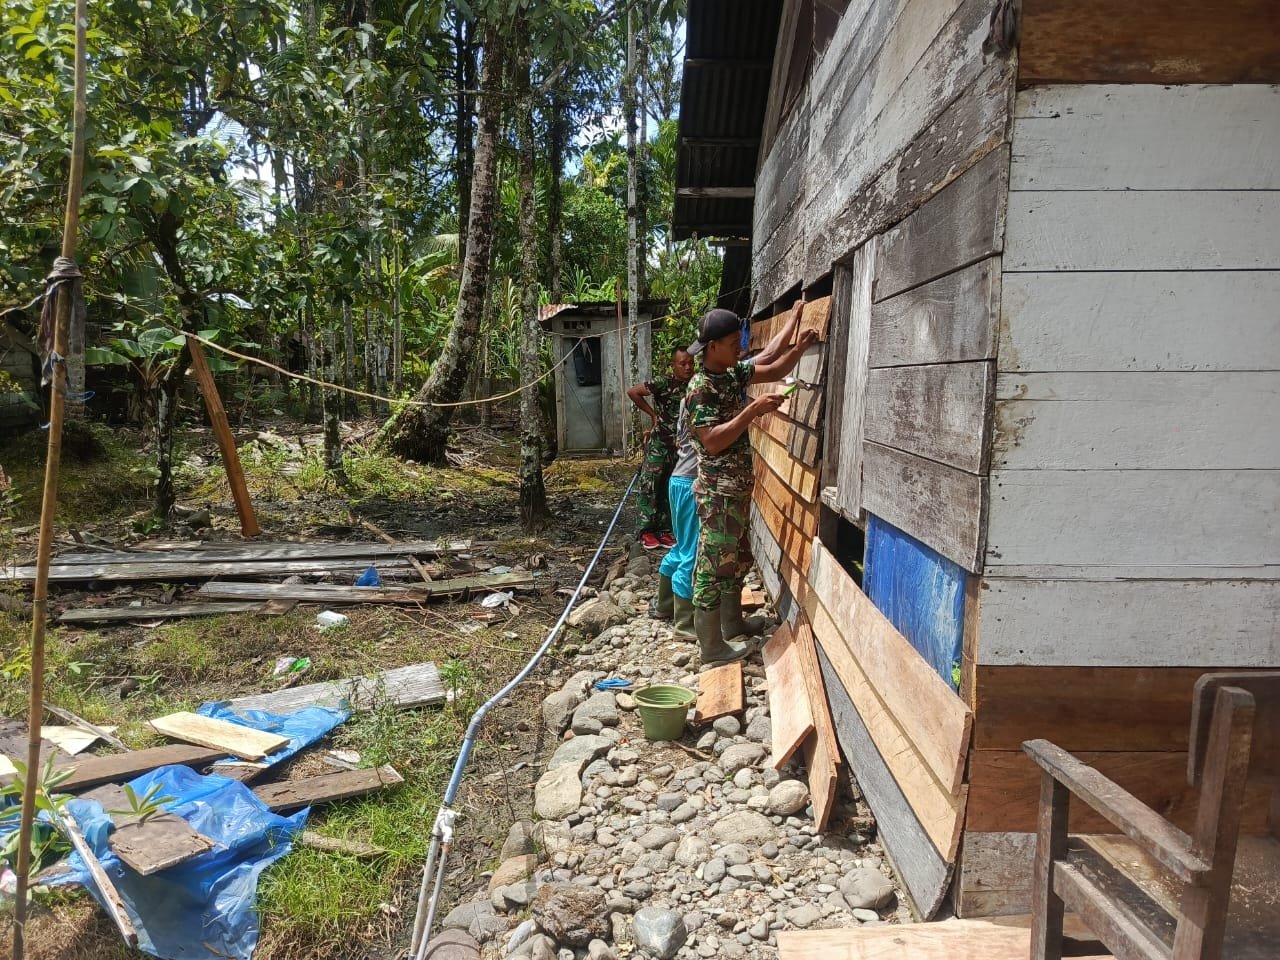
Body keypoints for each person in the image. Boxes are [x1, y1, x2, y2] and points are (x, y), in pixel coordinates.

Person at [685, 304, 817, 666]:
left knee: (736, 558)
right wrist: (752, 411)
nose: (740, 349)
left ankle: (732, 625)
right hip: (717, 494)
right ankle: (711, 647)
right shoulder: (701, 389)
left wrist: (797, 333)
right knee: (713, 566)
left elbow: (773, 363)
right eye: (733, 344)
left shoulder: (729, 373)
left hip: (737, 489)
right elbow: (712, 441)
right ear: (713, 347)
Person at [626, 347, 694, 552]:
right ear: (673, 366)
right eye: (683, 363)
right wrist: (653, 414)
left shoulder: (696, 385)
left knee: (669, 486)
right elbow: (633, 392)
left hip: (681, 447)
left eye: (691, 363)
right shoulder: (663, 383)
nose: (688, 367)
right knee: (650, 485)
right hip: (659, 444)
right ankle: (646, 530)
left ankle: (665, 529)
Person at [654, 395, 698, 638]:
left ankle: (664, 605)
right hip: (691, 483)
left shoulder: (685, 398)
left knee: (681, 547)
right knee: (692, 552)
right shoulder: (704, 397)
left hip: (679, 480)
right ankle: (684, 623)